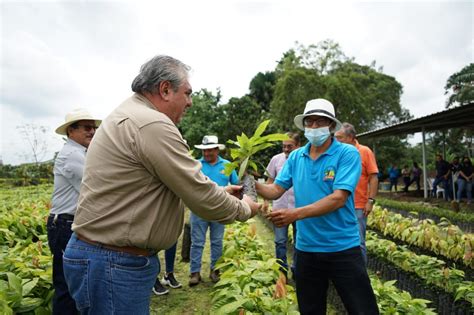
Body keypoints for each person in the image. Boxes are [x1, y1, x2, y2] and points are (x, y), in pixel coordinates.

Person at [63, 55, 260, 314]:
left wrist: (222, 191)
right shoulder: (151, 123)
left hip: (107, 258)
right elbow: (199, 193)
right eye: (187, 93)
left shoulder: (131, 115)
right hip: (113, 261)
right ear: (165, 89)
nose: (190, 102)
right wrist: (245, 207)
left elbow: (162, 185)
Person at [256, 99, 379, 314]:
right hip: (307, 249)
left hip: (342, 248)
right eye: (309, 122)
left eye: (320, 122)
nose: (314, 127)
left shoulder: (347, 154)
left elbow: (338, 198)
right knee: (310, 309)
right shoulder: (296, 156)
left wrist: (295, 214)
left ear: (331, 126)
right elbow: (275, 190)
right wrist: (250, 182)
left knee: (363, 309)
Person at [47, 108, 101, 315]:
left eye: (94, 127)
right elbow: (96, 186)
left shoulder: (81, 153)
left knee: (74, 283)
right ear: (71, 131)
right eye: (87, 128)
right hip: (64, 226)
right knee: (66, 286)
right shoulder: (72, 155)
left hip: (71, 223)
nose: (92, 132)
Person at [189, 135, 239, 286]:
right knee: (197, 242)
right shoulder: (195, 165)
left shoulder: (227, 165)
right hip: (199, 209)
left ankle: (215, 270)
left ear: (217, 150)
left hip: (220, 210)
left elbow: (236, 184)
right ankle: (194, 272)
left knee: (217, 242)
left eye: (209, 151)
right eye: (204, 151)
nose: (206, 154)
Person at [335, 122, 378, 266]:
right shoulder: (335, 152)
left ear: (351, 137)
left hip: (358, 205)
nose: (336, 141)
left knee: (358, 242)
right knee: (338, 241)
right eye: (335, 137)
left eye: (340, 138)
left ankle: (360, 276)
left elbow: (373, 178)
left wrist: (370, 200)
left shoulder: (365, 151)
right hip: (337, 204)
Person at [263, 132, 300, 280]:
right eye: (284, 146)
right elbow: (270, 180)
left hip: (299, 208)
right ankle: (282, 270)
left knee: (300, 241)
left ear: (298, 145)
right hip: (280, 206)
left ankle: (297, 269)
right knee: (280, 241)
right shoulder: (276, 160)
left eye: (289, 146)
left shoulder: (303, 160)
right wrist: (266, 200)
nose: (285, 149)